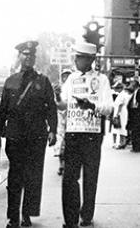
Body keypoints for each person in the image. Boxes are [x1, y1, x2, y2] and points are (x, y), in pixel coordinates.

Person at [0, 40, 57, 228]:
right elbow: (2, 110)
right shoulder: (10, 81)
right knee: (15, 177)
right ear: (19, 56)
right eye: (25, 54)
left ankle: (27, 215)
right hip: (15, 136)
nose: (28, 58)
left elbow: (51, 108)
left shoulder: (43, 81)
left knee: (32, 177)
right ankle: (13, 217)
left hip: (36, 136)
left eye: (32, 55)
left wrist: (53, 130)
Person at [57, 42, 113, 228]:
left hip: (92, 134)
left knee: (90, 177)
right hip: (73, 133)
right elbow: (64, 105)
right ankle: (70, 219)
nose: (76, 60)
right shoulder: (71, 79)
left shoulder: (102, 80)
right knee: (69, 178)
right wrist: (58, 99)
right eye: (75, 56)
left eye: (79, 57)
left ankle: (86, 214)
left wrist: (92, 105)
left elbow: (109, 108)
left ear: (90, 59)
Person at [54, 68, 72, 176]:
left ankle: (67, 165)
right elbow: (58, 104)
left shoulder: (75, 87)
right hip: (61, 120)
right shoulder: (60, 89)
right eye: (64, 76)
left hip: (72, 120)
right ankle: (61, 165)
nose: (66, 78)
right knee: (61, 143)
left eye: (68, 75)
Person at [112, 82, 132, 149]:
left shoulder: (122, 94)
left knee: (121, 127)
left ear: (120, 88)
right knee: (120, 127)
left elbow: (120, 104)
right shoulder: (122, 94)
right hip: (121, 111)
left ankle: (122, 143)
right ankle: (121, 142)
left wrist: (117, 113)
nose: (115, 90)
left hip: (120, 112)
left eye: (116, 88)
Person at [126, 79, 140, 152]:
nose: (130, 85)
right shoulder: (134, 92)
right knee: (134, 131)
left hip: (137, 113)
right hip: (133, 113)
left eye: (132, 84)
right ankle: (135, 146)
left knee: (136, 131)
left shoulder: (139, 91)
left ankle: (137, 147)